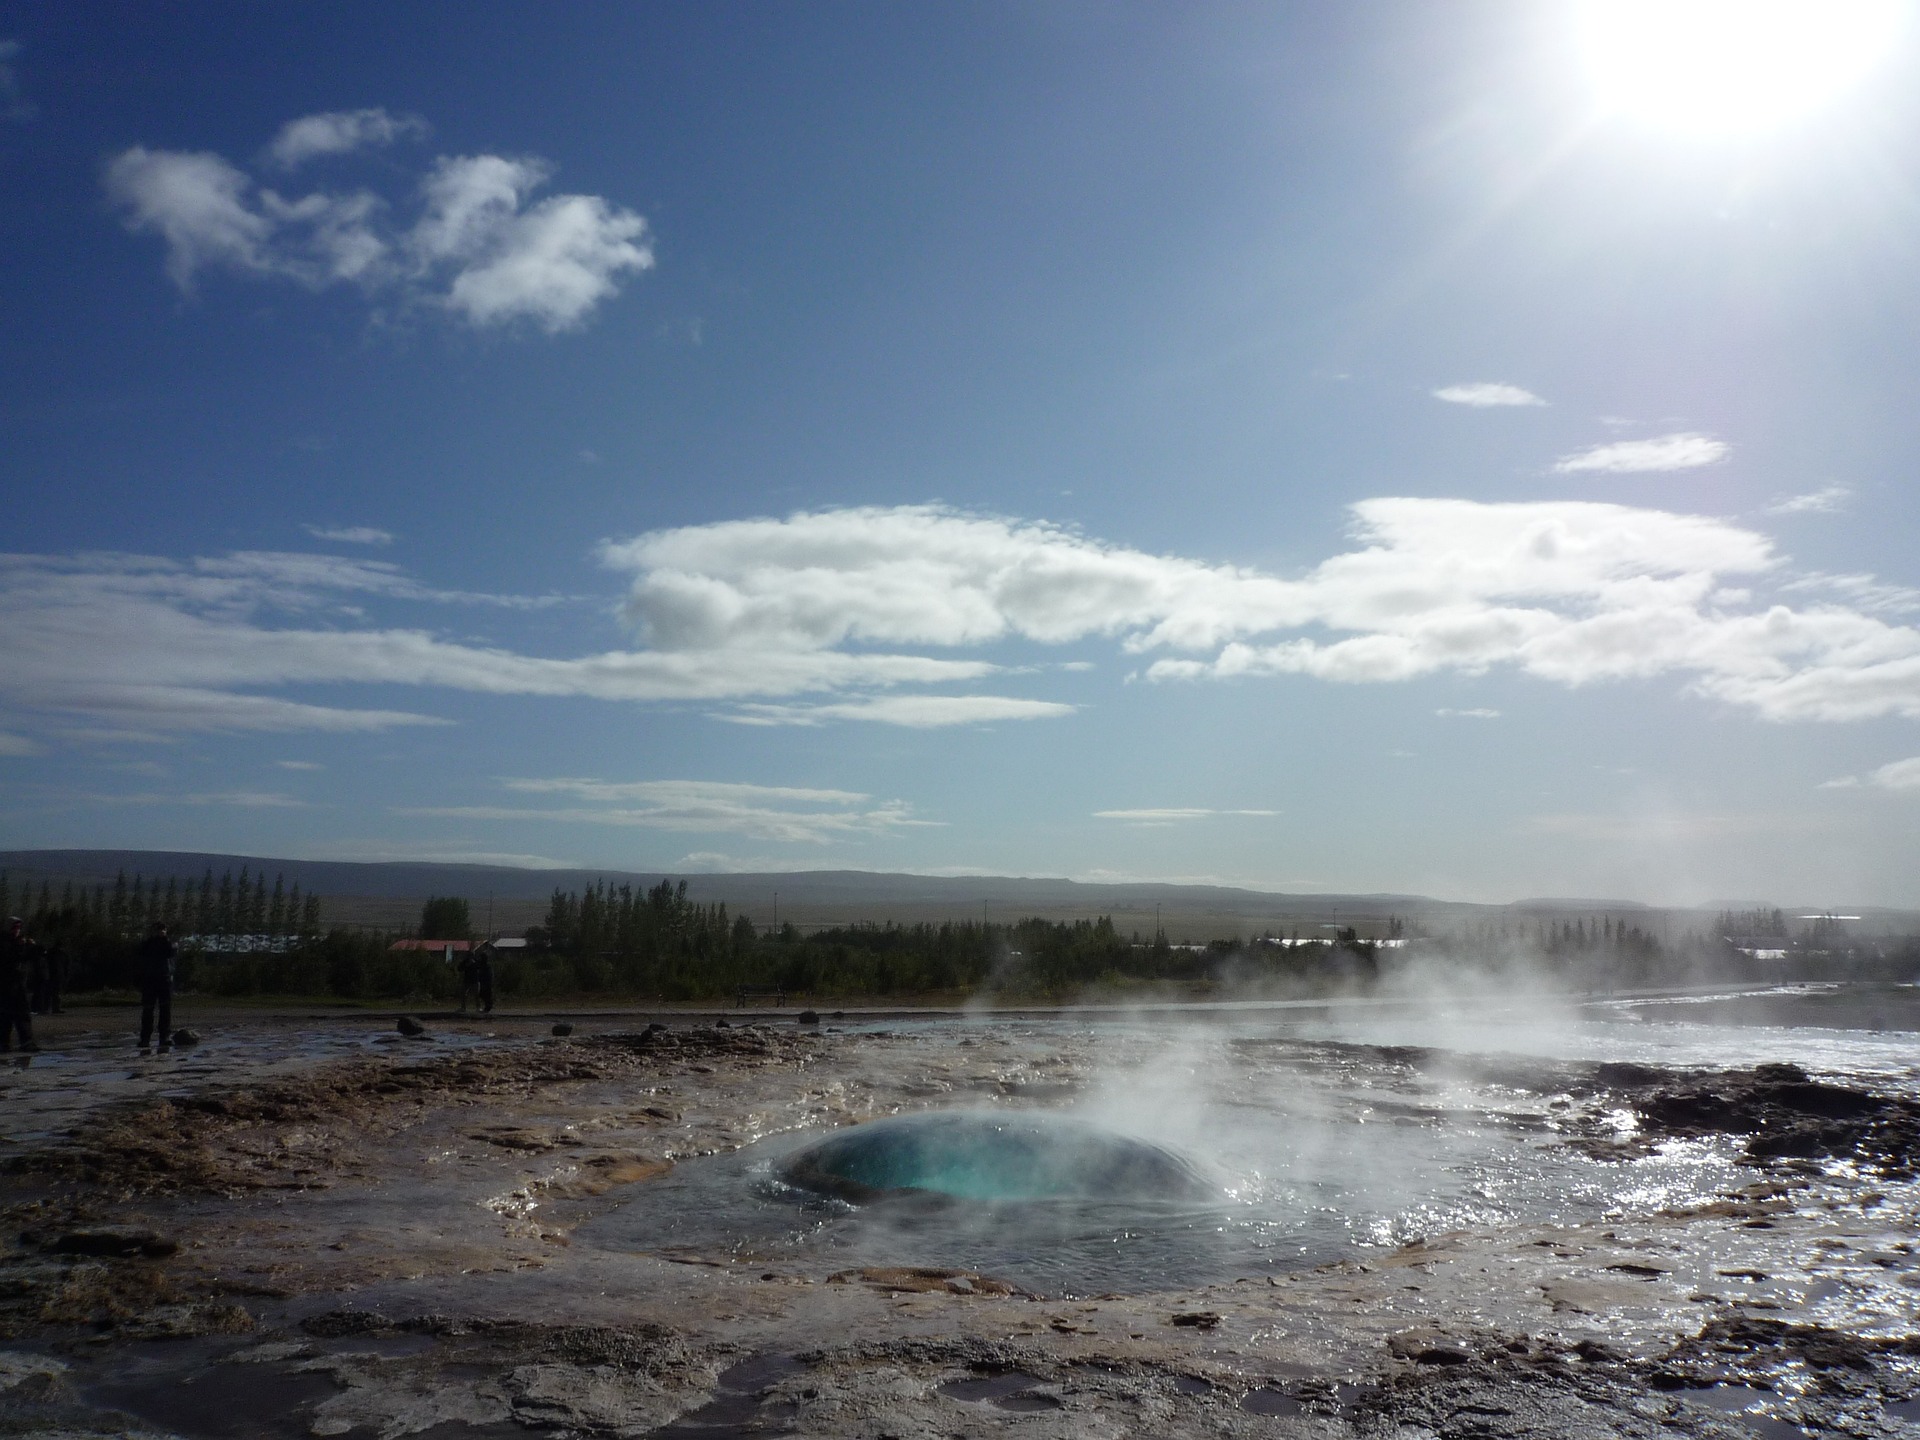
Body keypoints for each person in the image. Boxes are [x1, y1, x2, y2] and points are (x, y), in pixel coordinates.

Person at [136, 921, 177, 1052]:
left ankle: (164, 1037)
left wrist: (165, 939)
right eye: (158, 929)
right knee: (148, 1010)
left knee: (165, 1009)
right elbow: (140, 954)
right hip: (149, 979)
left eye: (162, 929)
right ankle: (145, 1038)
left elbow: (171, 952)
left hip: (164, 979)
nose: (160, 931)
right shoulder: (148, 944)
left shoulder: (168, 943)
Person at [0, 917, 38, 1053]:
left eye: (18, 928)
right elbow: (11, 958)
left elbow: (26, 957)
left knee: (23, 1014)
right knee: (5, 1016)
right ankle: (3, 1043)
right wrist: (21, 947)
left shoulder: (18, 942)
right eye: (14, 927)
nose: (17, 930)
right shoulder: (4, 943)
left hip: (19, 985)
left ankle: (26, 1042)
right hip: (6, 985)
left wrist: (32, 948)